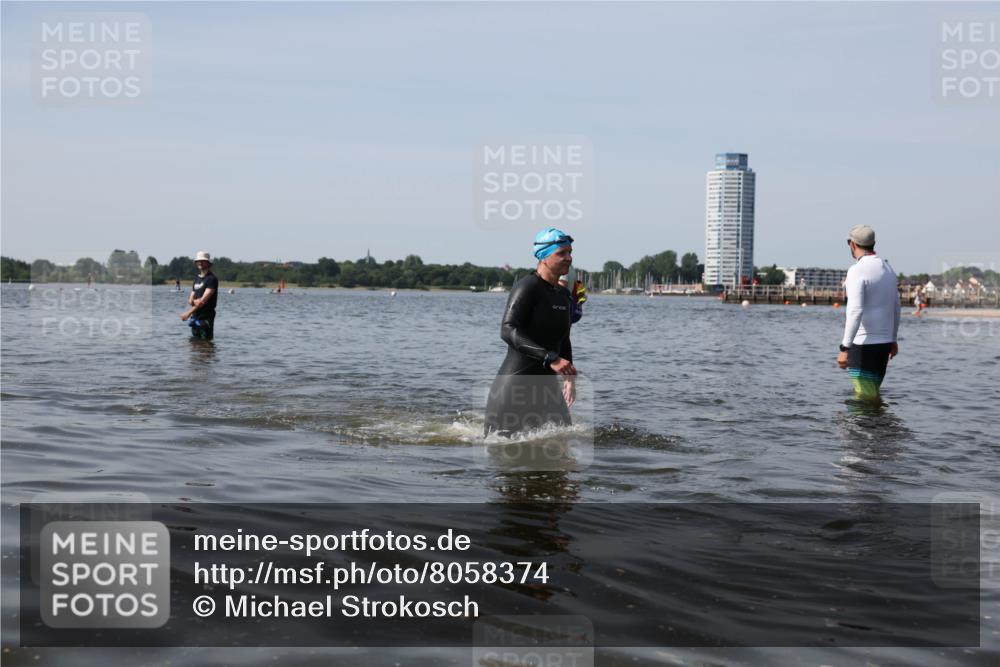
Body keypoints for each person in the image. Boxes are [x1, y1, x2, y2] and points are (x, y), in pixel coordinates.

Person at [484, 228, 577, 436]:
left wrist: (569, 377)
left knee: (564, 443)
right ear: (543, 256)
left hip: (547, 387)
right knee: (505, 452)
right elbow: (508, 329)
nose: (568, 258)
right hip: (516, 385)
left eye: (570, 252)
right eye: (561, 253)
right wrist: (550, 357)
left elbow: (564, 338)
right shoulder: (527, 287)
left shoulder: (563, 294)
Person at [837, 225, 900, 400]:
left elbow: (855, 310)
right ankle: (878, 426)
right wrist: (893, 339)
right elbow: (896, 307)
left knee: (863, 399)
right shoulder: (888, 269)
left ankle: (860, 428)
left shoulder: (856, 270)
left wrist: (845, 347)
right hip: (884, 344)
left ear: (852, 244)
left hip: (863, 345)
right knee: (872, 395)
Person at [180, 251, 219, 340]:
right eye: (198, 261)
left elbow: (202, 302)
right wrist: (195, 302)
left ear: (208, 263)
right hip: (195, 316)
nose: (200, 263)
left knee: (206, 344)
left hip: (206, 317)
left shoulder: (211, 279)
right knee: (195, 345)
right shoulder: (197, 279)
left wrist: (187, 313)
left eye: (203, 261)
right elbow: (190, 301)